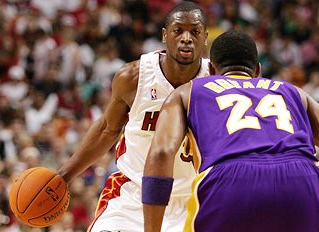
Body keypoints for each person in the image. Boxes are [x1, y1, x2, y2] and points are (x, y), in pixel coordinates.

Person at [142, 30, 319, 231]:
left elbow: (162, 152)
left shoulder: (190, 92)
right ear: (257, 71)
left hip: (230, 180)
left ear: (211, 70)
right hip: (302, 180)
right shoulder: (292, 92)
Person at [58, 2, 209, 231]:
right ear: (164, 35)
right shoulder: (133, 77)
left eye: (195, 31)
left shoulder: (218, 80)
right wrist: (64, 176)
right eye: (178, 30)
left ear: (205, 37)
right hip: (133, 195)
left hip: (196, 198)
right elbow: (107, 129)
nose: (186, 38)